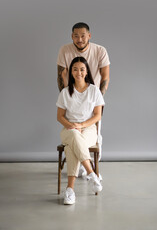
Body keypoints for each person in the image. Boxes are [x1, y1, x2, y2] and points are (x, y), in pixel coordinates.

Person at [57, 22, 110, 177]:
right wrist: (68, 97)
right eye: (76, 36)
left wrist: (96, 99)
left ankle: (87, 167)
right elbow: (61, 76)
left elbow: (105, 77)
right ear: (72, 36)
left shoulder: (100, 51)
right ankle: (90, 170)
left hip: (93, 97)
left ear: (89, 36)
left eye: (83, 36)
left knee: (94, 135)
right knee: (74, 133)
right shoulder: (65, 50)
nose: (79, 39)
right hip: (72, 95)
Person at [56, 57, 105, 205]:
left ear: (87, 71)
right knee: (73, 136)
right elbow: (59, 117)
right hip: (69, 129)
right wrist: (72, 125)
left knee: (72, 146)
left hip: (88, 129)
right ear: (71, 72)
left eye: (82, 69)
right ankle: (91, 173)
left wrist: (81, 125)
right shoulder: (65, 92)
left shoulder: (94, 90)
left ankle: (69, 190)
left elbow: (97, 115)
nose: (79, 72)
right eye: (75, 69)